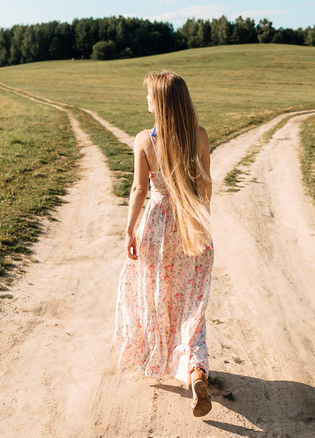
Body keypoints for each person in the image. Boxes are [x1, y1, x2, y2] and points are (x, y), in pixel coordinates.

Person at [114, 71, 214, 417]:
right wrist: (200, 223)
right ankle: (196, 369)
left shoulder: (145, 140)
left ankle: (159, 355)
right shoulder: (199, 136)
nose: (145, 99)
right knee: (191, 302)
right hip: (190, 225)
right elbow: (205, 187)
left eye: (148, 95)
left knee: (157, 296)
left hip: (156, 228)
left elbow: (139, 190)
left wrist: (130, 231)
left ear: (159, 102)